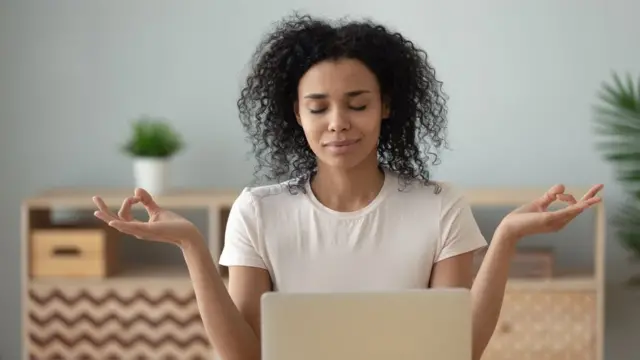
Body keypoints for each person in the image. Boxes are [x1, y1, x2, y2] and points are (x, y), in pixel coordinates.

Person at [92, 13, 603, 360]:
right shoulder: (258, 210)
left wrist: (508, 236)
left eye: (357, 104)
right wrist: (192, 245)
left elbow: (458, 350)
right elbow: (245, 355)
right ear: (297, 113)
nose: (338, 122)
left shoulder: (440, 206)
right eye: (319, 107)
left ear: (387, 106)